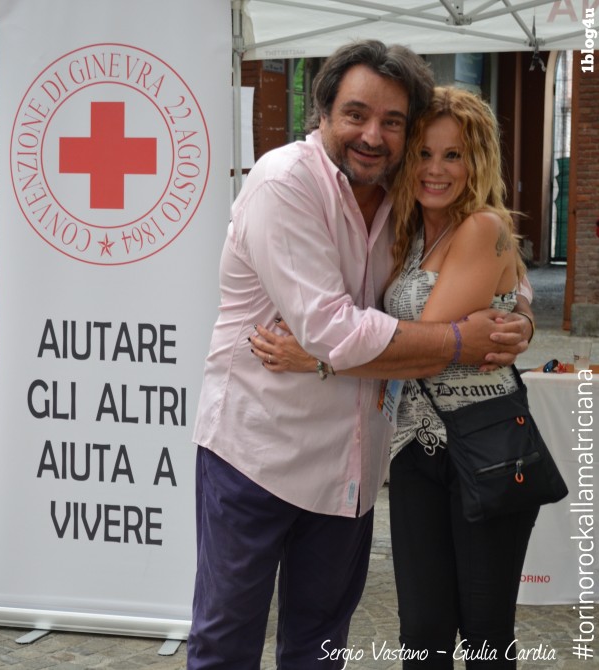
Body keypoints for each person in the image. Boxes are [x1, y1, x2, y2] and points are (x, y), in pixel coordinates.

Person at [188, 41, 533, 670]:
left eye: (392, 122)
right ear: (322, 112)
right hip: (257, 457)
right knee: (227, 641)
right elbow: (335, 331)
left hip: (351, 468)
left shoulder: (402, 194)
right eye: (356, 114)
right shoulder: (287, 183)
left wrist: (519, 314)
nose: (373, 135)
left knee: (321, 644)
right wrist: (461, 340)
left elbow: (485, 249)